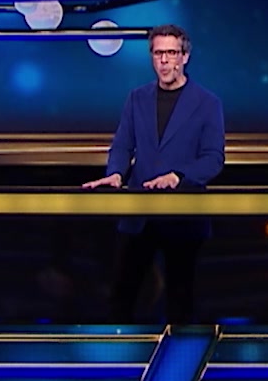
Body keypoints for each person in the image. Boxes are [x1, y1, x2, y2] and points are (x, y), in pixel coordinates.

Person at [83, 24, 225, 324]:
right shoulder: (137, 98)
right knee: (121, 298)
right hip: (140, 214)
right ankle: (119, 353)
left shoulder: (207, 103)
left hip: (183, 216)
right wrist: (116, 174)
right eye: (158, 53)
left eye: (171, 53)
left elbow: (213, 158)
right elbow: (123, 144)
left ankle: (178, 354)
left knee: (180, 305)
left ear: (185, 57)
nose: (164, 60)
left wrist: (178, 176)